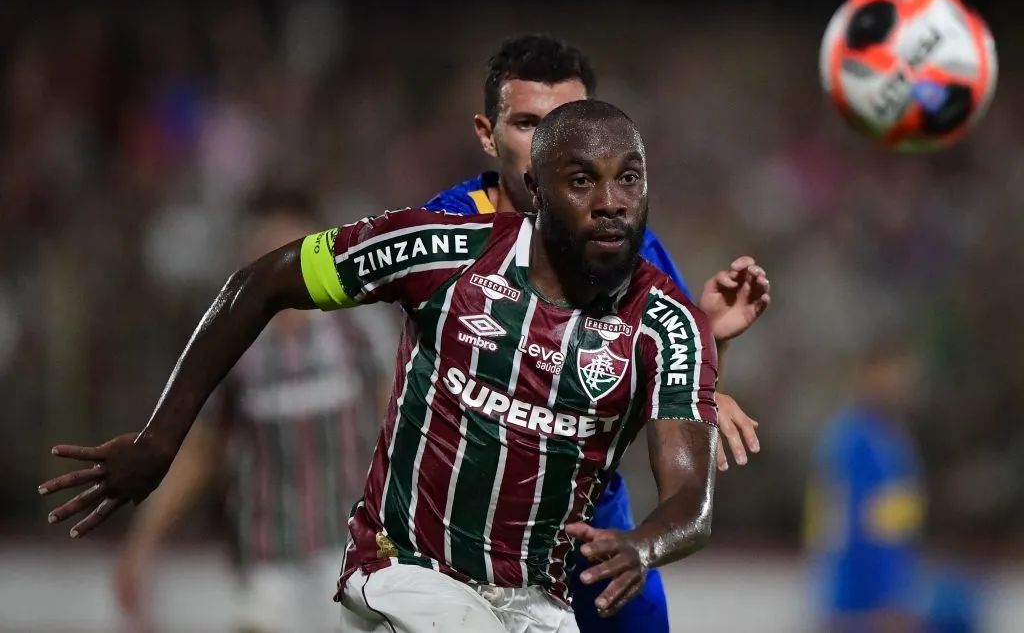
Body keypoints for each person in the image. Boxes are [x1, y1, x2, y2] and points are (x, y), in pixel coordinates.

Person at [40, 99, 770, 633]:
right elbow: (260, 282)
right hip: (411, 573)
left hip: (537, 603)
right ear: (537, 192)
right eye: (583, 181)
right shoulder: (444, 250)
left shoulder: (671, 321)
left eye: (629, 179)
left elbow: (690, 501)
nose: (612, 202)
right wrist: (160, 441)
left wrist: (643, 544)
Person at [423, 33, 766, 632]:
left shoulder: (624, 240)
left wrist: (713, 339)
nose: (551, 146)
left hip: (590, 529)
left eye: (568, 123)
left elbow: (668, 385)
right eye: (530, 124)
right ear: (487, 133)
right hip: (462, 536)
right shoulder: (444, 233)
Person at [113, 187, 385, 633]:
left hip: (350, 553)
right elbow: (201, 452)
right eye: (265, 247)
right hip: (265, 562)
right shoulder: (232, 346)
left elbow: (399, 421)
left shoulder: (358, 329)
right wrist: (142, 544)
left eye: (290, 248)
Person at [804, 334, 927, 633]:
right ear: (867, 373)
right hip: (859, 606)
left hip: (889, 597)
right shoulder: (851, 440)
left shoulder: (894, 438)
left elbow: (898, 525)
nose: (899, 381)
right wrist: (872, 603)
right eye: (890, 371)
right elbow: (846, 527)